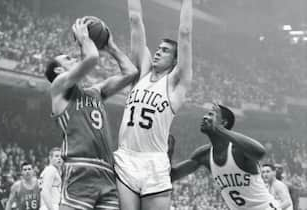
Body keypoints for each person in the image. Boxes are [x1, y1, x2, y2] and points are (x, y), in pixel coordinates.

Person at [45, 17, 138, 210]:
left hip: (106, 170)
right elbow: (92, 58)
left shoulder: (95, 92)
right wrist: (84, 39)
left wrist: (111, 46)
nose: (74, 58)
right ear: (59, 69)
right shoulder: (58, 88)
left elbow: (131, 73)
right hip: (80, 167)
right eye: (68, 59)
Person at [114, 0, 193, 208]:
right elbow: (134, 19)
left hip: (155, 163)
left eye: (165, 50)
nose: (158, 52)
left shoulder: (176, 85)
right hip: (126, 158)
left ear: (175, 61)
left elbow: (184, 32)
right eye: (158, 48)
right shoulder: (141, 73)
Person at [170, 104, 281, 210]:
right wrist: (167, 155)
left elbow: (260, 153)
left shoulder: (238, 149)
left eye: (211, 114)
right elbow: (172, 176)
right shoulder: (204, 154)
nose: (204, 117)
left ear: (223, 122)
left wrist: (220, 130)